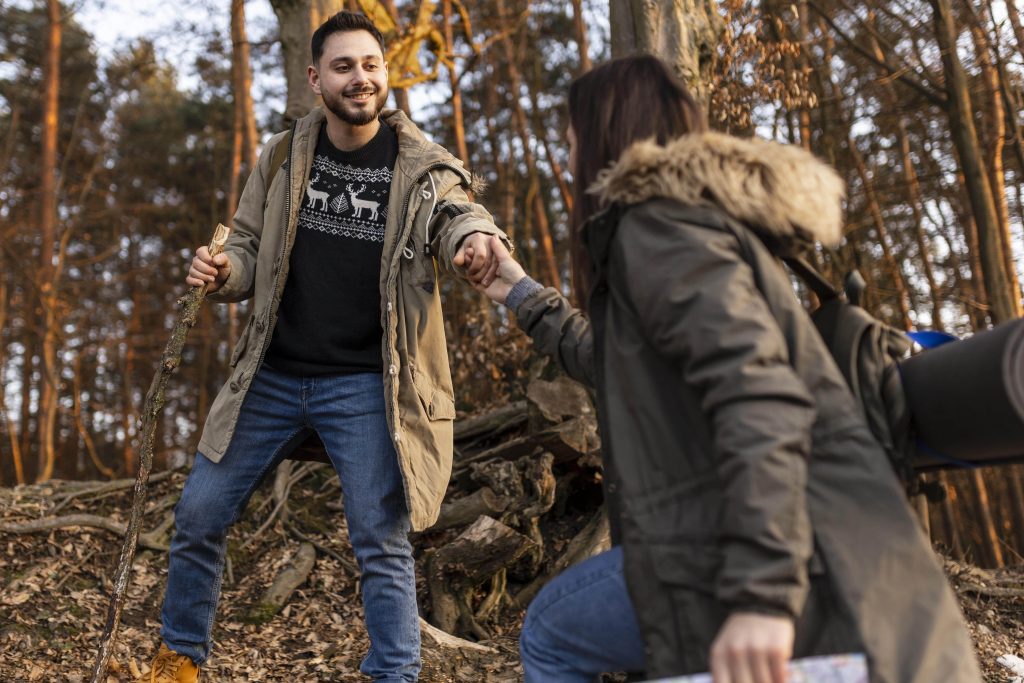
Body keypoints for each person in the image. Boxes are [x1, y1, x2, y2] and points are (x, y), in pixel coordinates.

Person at [473, 56, 982, 683]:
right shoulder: (691, 227)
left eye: (573, 138)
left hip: (791, 566)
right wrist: (518, 292)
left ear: (606, 134)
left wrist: (761, 593)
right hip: (810, 557)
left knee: (552, 631)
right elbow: (625, 370)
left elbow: (761, 394)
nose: (567, 157)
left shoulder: (659, 228)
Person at [138, 11, 508, 683]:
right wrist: (224, 271)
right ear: (315, 79)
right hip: (271, 375)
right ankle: (179, 659)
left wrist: (475, 241)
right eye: (343, 66)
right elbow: (248, 244)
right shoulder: (282, 156)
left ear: (384, 72)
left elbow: (456, 213)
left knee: (381, 539)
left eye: (370, 64)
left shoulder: (422, 166)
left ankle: (394, 673)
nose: (360, 78)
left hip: (367, 384)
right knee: (197, 514)